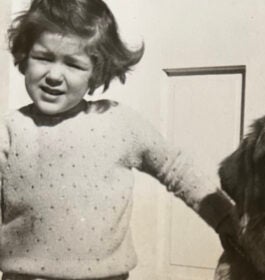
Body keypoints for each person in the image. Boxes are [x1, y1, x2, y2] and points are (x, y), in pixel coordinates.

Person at [1, 1, 237, 279]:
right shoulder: (10, 129)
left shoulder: (118, 123)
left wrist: (224, 218)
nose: (54, 75)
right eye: (43, 57)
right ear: (25, 55)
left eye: (73, 64)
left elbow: (177, 168)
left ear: (96, 71)